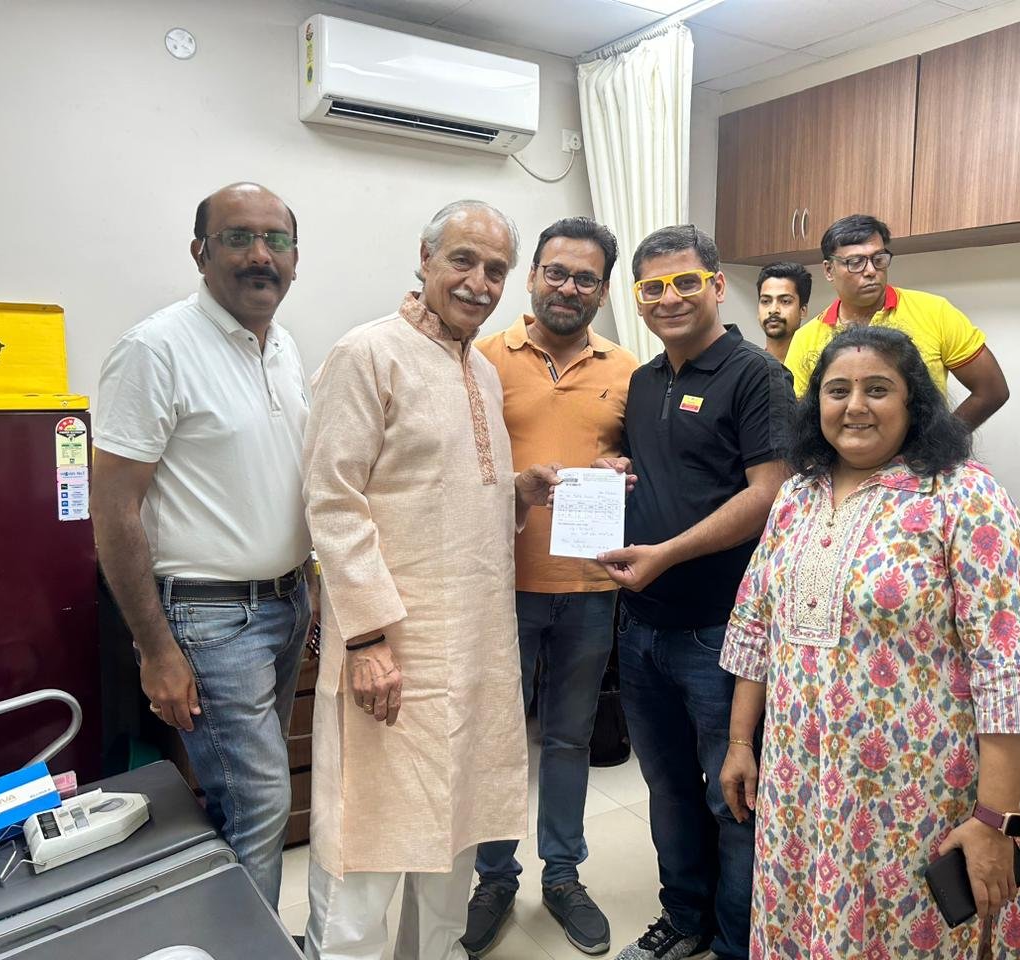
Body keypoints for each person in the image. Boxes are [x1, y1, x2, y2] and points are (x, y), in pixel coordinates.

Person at [720, 325, 1020, 958]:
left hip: (916, 799)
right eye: (837, 390)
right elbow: (755, 626)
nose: (856, 406)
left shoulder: (964, 496)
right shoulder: (796, 496)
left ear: (913, 401)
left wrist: (994, 821)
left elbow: (1006, 669)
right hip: (799, 787)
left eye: (878, 389)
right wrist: (740, 742)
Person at [301, 200, 560, 960]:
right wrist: (367, 639)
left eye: (495, 270)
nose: (479, 283)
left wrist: (517, 492)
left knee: (452, 833)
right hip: (392, 651)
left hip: (475, 648)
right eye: (463, 261)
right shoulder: (366, 353)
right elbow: (332, 501)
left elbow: (444, 496)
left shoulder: (482, 371)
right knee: (368, 842)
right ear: (424, 258)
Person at [90, 182, 317, 905]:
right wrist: (156, 649)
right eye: (238, 238)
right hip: (210, 618)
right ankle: (252, 944)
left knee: (244, 799)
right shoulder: (155, 349)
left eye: (276, 240)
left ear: (295, 256)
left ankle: (237, 932)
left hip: (288, 602)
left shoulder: (282, 345)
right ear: (201, 251)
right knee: (260, 804)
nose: (260, 256)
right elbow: (113, 510)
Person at [595, 225, 794, 960]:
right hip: (641, 625)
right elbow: (661, 473)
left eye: (684, 282)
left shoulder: (756, 376)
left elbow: (769, 494)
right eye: (652, 287)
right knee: (669, 786)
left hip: (723, 630)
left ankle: (738, 941)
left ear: (715, 286)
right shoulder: (645, 381)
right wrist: (613, 469)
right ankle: (684, 919)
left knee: (733, 795)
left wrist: (667, 554)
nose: (669, 298)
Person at [466, 217, 638, 957]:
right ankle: (494, 876)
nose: (569, 287)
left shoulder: (628, 369)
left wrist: (625, 470)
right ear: (533, 275)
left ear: (603, 290)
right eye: (556, 272)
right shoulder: (481, 358)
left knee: (570, 737)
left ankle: (563, 875)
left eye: (585, 278)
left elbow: (640, 462)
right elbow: (458, 467)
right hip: (500, 584)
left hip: (590, 587)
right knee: (499, 739)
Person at [782, 213, 1009, 429]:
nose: (871, 271)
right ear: (829, 270)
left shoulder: (935, 312)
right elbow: (799, 418)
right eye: (855, 262)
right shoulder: (806, 338)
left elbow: (991, 390)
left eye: (878, 259)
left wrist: (940, 442)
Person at [755, 262, 810, 364]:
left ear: (803, 310)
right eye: (765, 301)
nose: (773, 310)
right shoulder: (750, 368)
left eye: (785, 301)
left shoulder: (818, 369)